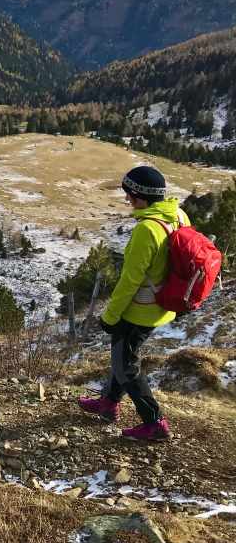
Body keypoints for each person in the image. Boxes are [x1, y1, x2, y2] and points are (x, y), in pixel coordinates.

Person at [78, 166, 188, 441]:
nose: (127, 199)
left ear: (139, 196)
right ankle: (107, 403)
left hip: (140, 308)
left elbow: (129, 281)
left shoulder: (147, 231)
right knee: (123, 357)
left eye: (129, 194)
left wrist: (110, 316)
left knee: (126, 365)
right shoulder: (177, 215)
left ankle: (154, 422)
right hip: (163, 304)